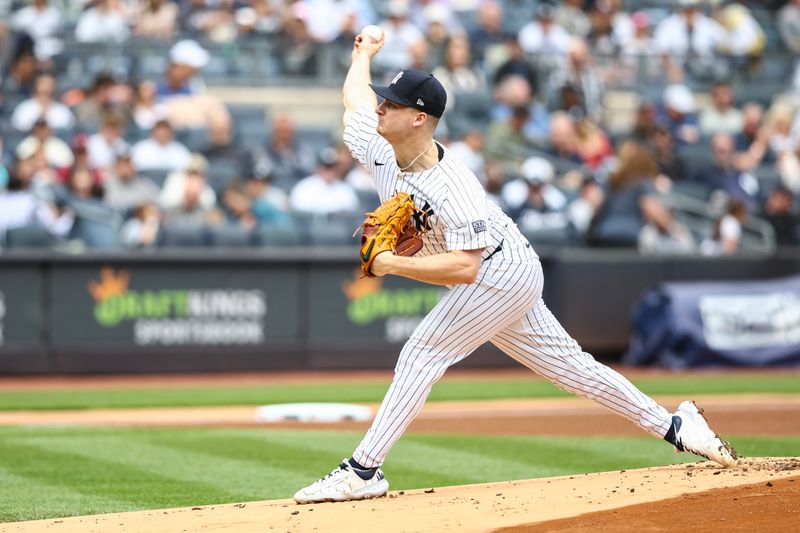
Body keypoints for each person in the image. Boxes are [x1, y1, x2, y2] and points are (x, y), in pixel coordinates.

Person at [292, 29, 738, 505]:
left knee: (421, 354)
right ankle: (675, 426)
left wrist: (390, 263)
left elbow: (465, 268)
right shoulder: (381, 144)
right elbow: (353, 98)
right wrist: (363, 54)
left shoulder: (454, 187)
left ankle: (363, 471)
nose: (380, 108)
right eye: (383, 101)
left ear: (419, 118)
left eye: (392, 104)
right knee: (574, 370)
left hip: (499, 272)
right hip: (503, 270)